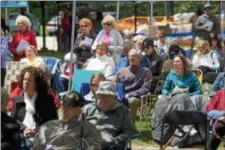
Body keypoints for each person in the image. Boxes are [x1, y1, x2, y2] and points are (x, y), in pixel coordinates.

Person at [33, 91, 101, 150]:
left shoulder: (89, 129)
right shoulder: (49, 126)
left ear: (79, 110)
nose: (64, 109)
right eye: (63, 105)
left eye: (69, 107)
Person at [83, 81, 138, 150]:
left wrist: (117, 140)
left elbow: (131, 131)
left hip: (109, 145)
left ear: (114, 98)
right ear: (97, 96)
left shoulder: (122, 112)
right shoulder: (88, 109)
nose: (103, 99)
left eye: (107, 96)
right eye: (101, 95)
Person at [11, 66, 58, 141]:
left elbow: (52, 122)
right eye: (24, 79)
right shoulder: (17, 100)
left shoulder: (47, 100)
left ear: (37, 83)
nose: (25, 82)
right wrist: (24, 129)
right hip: (21, 137)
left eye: (29, 80)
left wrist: (36, 131)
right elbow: (13, 121)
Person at [116, 49, 152, 121]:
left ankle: (130, 125)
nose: (131, 58)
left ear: (139, 58)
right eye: (130, 56)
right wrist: (121, 95)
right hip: (121, 95)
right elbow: (117, 86)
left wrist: (131, 94)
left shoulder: (145, 72)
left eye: (134, 56)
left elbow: (145, 88)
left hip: (136, 97)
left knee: (132, 101)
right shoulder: (121, 71)